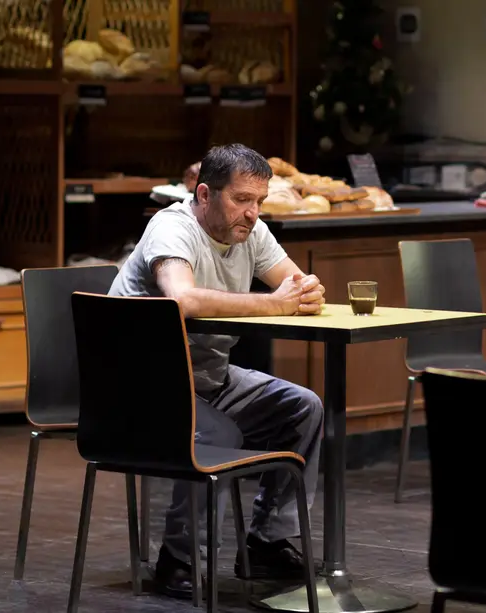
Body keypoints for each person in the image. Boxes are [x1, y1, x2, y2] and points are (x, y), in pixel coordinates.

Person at [109, 144, 325, 599]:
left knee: (303, 408)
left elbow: (296, 285)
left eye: (259, 201)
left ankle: (266, 542)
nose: (253, 213)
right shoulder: (172, 228)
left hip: (206, 379)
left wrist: (307, 291)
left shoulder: (251, 231)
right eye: (242, 199)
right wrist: (275, 304)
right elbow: (183, 298)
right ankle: (180, 559)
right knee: (217, 432)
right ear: (205, 194)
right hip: (140, 388)